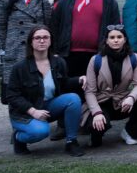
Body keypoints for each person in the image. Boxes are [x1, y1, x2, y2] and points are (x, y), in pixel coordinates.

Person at [6, 26, 84, 156]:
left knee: (73, 98)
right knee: (41, 132)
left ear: (50, 41)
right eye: (37, 38)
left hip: (47, 107)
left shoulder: (58, 62)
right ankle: (19, 138)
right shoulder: (19, 67)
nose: (42, 41)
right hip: (23, 114)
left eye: (45, 37)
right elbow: (12, 96)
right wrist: (33, 111)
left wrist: (79, 79)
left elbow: (64, 83)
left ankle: (71, 142)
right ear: (31, 42)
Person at [82, 24, 137, 147]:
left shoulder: (134, 58)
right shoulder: (96, 60)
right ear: (107, 40)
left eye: (119, 37)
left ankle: (130, 132)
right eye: (112, 37)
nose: (116, 40)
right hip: (102, 101)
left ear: (124, 39)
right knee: (98, 128)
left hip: (123, 101)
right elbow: (89, 91)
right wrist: (97, 113)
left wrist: (131, 98)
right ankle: (95, 138)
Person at [50, 0, 121, 81]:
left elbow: (115, 27)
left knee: (94, 91)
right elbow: (55, 25)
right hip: (68, 55)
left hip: (98, 55)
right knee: (71, 89)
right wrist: (55, 51)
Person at [0, 0, 52, 101]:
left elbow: (48, 24)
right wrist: (7, 44)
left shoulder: (42, 0)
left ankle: (35, 113)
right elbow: (0, 25)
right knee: (14, 86)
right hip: (14, 49)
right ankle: (17, 116)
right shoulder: (7, 0)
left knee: (35, 85)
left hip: (36, 48)